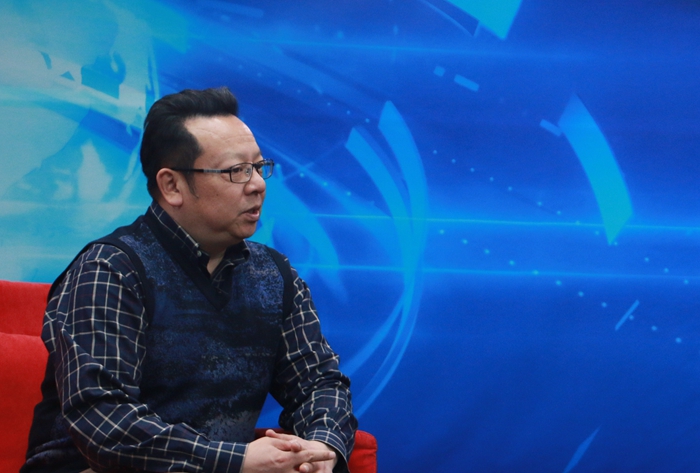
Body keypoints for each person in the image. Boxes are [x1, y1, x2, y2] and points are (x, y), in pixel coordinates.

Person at [21, 87, 357, 473]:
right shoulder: (110, 270)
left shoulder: (274, 275)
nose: (257, 184)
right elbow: (106, 423)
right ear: (172, 186)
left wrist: (320, 447)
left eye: (258, 166)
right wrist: (237, 461)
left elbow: (319, 383)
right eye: (236, 171)